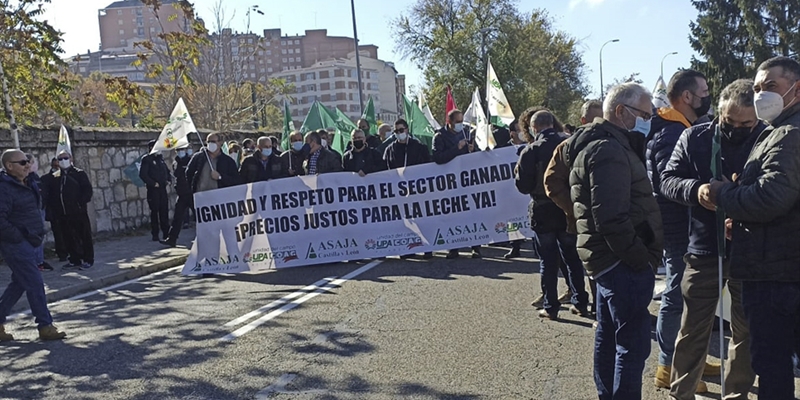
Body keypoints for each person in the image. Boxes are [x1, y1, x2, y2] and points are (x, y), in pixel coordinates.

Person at [706, 56, 800, 399]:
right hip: (775, 261)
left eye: (770, 87)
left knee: (773, 368)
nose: (761, 95)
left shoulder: (790, 134)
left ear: (796, 88)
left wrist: (723, 193)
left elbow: (771, 197)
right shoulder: (777, 130)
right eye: (757, 88)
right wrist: (742, 217)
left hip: (777, 275)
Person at [661, 79, 762, 399]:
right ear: (719, 112)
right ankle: (682, 392)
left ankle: (736, 394)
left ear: (758, 117)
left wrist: (744, 206)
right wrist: (695, 190)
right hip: (704, 248)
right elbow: (667, 180)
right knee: (694, 328)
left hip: (751, 248)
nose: (737, 129)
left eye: (746, 123)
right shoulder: (695, 136)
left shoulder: (768, 137)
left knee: (745, 331)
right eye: (729, 122)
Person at [565, 83, 663, 399]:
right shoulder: (608, 149)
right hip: (620, 262)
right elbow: (611, 216)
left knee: (609, 336)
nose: (649, 120)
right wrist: (639, 258)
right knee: (631, 347)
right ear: (621, 112)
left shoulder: (606, 145)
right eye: (645, 114)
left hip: (608, 260)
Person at [649, 69, 720, 388]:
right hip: (680, 229)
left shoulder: (682, 127)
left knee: (692, 300)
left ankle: (693, 358)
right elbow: (668, 184)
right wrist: (699, 190)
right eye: (704, 91)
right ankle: (669, 367)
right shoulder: (672, 133)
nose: (708, 97)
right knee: (677, 297)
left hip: (687, 228)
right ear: (687, 97)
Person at [515, 110, 590, 320]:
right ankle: (581, 302)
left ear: (533, 128)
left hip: (543, 210)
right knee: (572, 258)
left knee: (547, 261)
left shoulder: (530, 151)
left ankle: (551, 305)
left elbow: (523, 186)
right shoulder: (569, 144)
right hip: (567, 207)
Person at [544, 100, 603, 315]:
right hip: (583, 221)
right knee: (592, 267)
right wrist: (574, 208)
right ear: (583, 121)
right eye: (595, 119)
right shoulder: (568, 147)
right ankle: (598, 309)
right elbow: (551, 182)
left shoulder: (617, 141)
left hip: (614, 219)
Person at [0, 149, 66, 341]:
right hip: (17, 244)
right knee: (35, 283)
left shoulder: (30, 181)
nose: (27, 165)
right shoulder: (4, 188)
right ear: (9, 166)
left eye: (27, 161)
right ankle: (45, 325)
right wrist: (19, 236)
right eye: (22, 163)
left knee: (20, 283)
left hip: (34, 241)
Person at [433, 109, 482, 259]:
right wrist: (457, 148)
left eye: (462, 121)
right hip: (450, 183)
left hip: (467, 180)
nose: (461, 124)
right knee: (452, 214)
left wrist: (474, 151)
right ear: (449, 122)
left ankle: (476, 246)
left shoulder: (467, 133)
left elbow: (478, 154)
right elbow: (438, 158)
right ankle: (453, 248)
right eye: (457, 122)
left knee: (472, 213)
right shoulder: (440, 136)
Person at [42, 150, 95, 270]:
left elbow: (87, 191)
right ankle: (74, 259)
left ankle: (88, 259)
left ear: (71, 159)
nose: (63, 161)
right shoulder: (56, 176)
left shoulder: (79, 173)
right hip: (63, 213)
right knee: (68, 237)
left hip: (78, 212)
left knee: (84, 236)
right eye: (60, 159)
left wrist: (79, 203)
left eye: (65, 158)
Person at [161, 144, 194, 248]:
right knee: (177, 218)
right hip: (182, 193)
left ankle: (207, 237)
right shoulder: (177, 162)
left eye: (182, 150)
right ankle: (172, 238)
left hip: (191, 193)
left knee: (200, 217)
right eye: (178, 150)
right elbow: (177, 175)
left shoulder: (191, 160)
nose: (180, 152)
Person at [139, 140, 172, 242]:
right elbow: (143, 174)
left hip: (162, 189)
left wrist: (168, 180)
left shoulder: (160, 159)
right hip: (153, 190)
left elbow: (167, 171)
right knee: (154, 211)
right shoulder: (147, 159)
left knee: (164, 211)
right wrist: (153, 183)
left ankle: (166, 233)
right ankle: (155, 234)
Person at [41, 157, 68, 262]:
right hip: (54, 210)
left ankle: (71, 250)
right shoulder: (46, 179)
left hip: (66, 208)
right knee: (58, 232)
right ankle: (62, 253)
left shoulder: (65, 176)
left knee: (68, 230)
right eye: (56, 165)